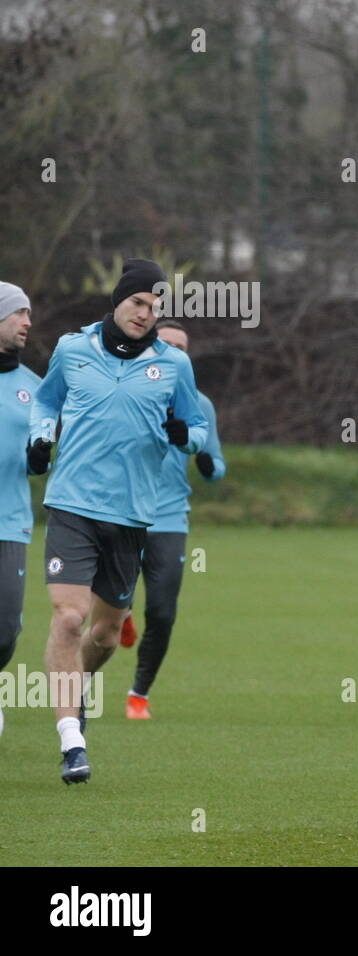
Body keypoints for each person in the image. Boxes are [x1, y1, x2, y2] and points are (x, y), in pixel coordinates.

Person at [29, 259, 208, 783]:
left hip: (132, 515)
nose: (145, 315)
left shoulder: (173, 365)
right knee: (68, 618)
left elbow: (197, 427)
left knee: (106, 636)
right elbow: (46, 402)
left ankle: (75, 686)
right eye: (137, 303)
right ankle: (71, 740)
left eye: (155, 308)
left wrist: (185, 436)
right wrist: (41, 438)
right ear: (118, 300)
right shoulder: (72, 348)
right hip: (72, 506)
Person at [122, 319, 226, 719]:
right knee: (110, 609)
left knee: (163, 612)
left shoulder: (199, 404)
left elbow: (216, 467)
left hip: (169, 519)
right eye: (167, 343)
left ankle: (139, 694)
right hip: (123, 512)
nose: (175, 350)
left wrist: (204, 461)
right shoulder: (126, 391)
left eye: (181, 346)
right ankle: (122, 613)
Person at [0, 282, 43, 739]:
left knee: (5, 629)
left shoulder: (36, 388)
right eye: (19, 313)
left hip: (9, 522)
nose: (28, 322)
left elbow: (49, 453)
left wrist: (41, 457)